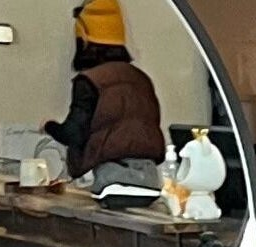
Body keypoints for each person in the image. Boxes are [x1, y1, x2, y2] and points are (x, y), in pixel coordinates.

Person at [45, 0, 166, 190]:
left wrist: (48, 126)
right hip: (149, 176)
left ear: (84, 42)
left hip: (110, 177)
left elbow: (73, 133)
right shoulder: (142, 79)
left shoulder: (90, 81)